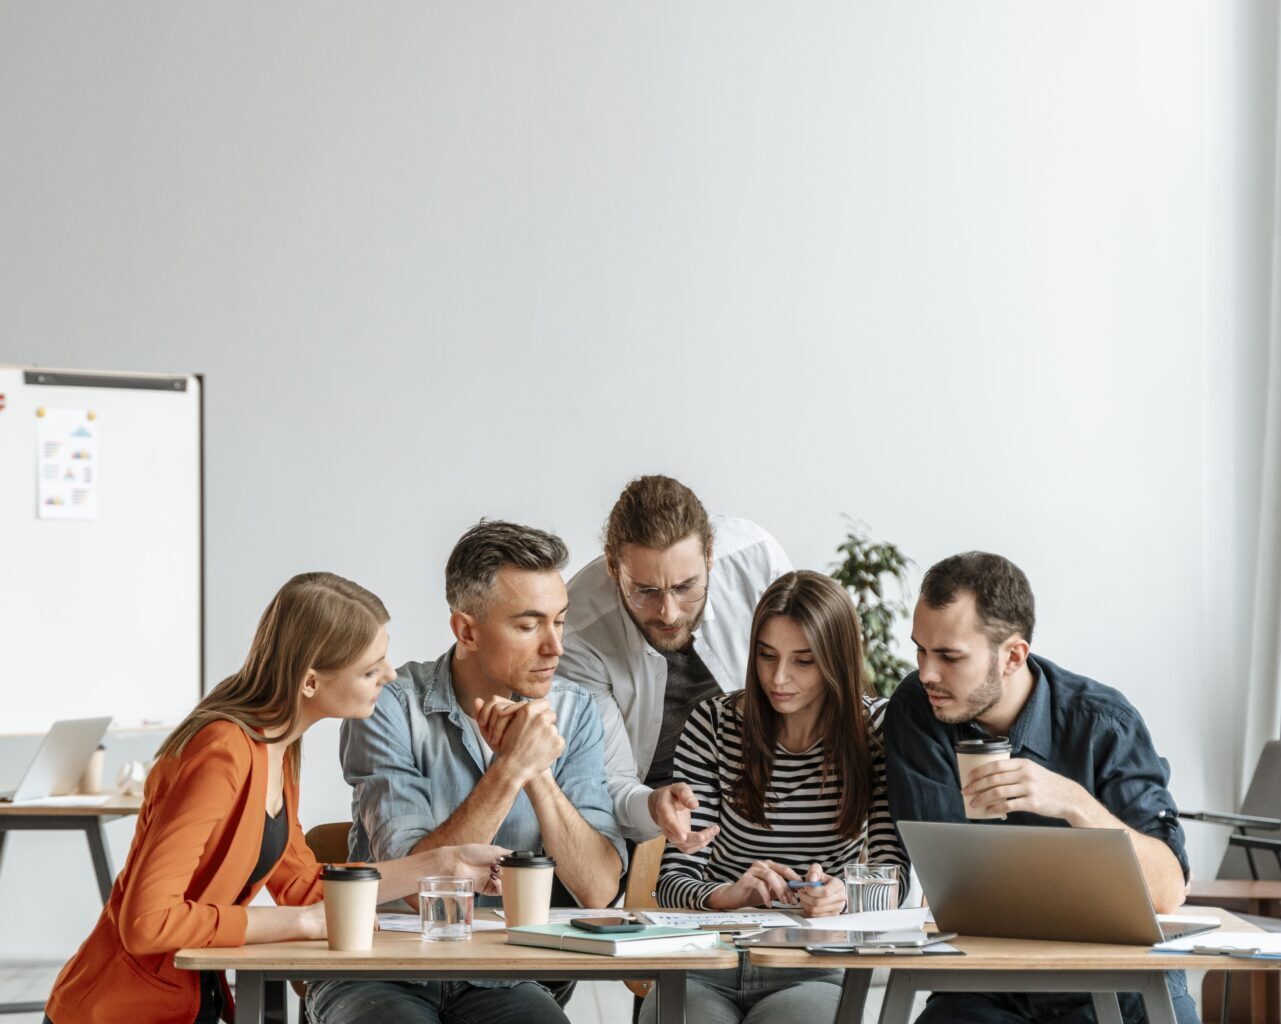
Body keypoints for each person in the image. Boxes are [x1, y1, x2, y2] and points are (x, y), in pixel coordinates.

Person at [42, 573, 505, 1024]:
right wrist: (302, 923)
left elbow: (305, 885)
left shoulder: (274, 749)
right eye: (370, 667)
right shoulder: (222, 752)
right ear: (310, 683)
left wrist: (443, 863)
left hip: (188, 1002)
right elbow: (148, 922)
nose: (389, 673)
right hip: (118, 1012)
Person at [307, 521, 625, 1024]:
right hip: (379, 967)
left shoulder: (575, 709)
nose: (555, 647)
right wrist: (510, 768)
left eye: (559, 621)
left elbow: (598, 889)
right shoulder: (388, 704)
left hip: (507, 975)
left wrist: (535, 771)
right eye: (528, 625)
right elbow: (415, 890)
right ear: (466, 631)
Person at [884, 551, 1196, 1024]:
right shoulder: (918, 710)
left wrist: (1074, 803)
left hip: (1117, 978)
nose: (927, 672)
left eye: (949, 656)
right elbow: (948, 879)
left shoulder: (1104, 724)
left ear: (1012, 656)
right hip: (988, 984)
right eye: (921, 650)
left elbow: (1168, 891)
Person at [640, 570, 908, 1024]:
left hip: (813, 970)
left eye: (803, 661)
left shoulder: (875, 732)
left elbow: (893, 879)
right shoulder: (714, 724)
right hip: (707, 960)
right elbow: (671, 883)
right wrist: (729, 895)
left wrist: (843, 897)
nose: (779, 678)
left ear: (837, 661)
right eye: (767, 656)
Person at [558, 474, 792, 853]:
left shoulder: (757, 560)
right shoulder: (578, 628)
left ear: (710, 554)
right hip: (644, 810)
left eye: (686, 587)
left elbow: (809, 689)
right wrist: (651, 804)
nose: (669, 613)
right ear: (614, 568)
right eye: (645, 592)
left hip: (766, 787)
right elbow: (607, 778)